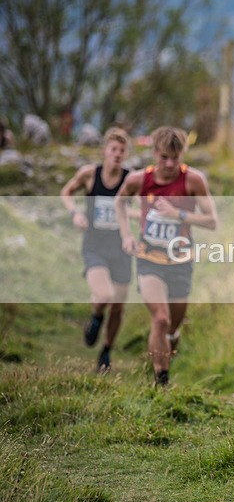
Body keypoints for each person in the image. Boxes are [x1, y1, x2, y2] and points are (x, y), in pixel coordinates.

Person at [115, 126, 217, 387]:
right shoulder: (139, 180)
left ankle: (172, 339)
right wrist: (126, 235)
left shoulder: (193, 180)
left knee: (172, 326)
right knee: (160, 319)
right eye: (164, 157)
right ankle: (161, 380)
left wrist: (178, 214)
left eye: (176, 157)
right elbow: (120, 202)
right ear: (154, 153)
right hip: (149, 259)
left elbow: (211, 221)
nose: (170, 164)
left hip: (181, 261)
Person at [60, 127, 133, 372]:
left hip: (121, 247)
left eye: (122, 151)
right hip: (94, 247)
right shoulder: (90, 175)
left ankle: (105, 352)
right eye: (113, 149)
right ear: (105, 150)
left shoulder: (130, 179)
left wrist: (130, 214)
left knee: (119, 305)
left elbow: (143, 206)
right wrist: (76, 213)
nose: (117, 154)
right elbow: (66, 192)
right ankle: (96, 317)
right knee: (104, 295)